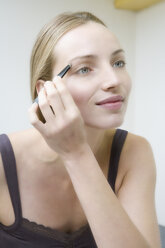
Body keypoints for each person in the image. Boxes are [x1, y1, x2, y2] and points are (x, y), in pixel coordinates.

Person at [0, 11, 161, 248]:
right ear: (45, 91)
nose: (113, 80)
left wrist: (76, 153)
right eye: (84, 69)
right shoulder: (3, 162)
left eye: (118, 63)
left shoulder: (134, 153)